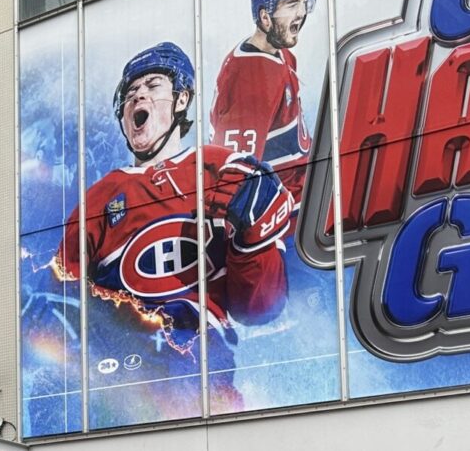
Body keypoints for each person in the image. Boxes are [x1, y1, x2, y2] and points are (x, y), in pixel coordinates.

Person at [53, 40, 294, 408]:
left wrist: (253, 240)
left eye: (152, 87)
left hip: (200, 365)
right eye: (131, 92)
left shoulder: (225, 168)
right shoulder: (98, 199)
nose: (138, 98)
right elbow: (59, 293)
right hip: (122, 374)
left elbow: (259, 308)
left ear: (182, 100)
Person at [209, 0, 317, 201]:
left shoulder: (283, 54)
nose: (301, 12)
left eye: (303, 0)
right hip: (284, 220)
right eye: (291, 3)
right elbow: (236, 178)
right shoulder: (250, 77)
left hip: (300, 203)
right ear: (265, 16)